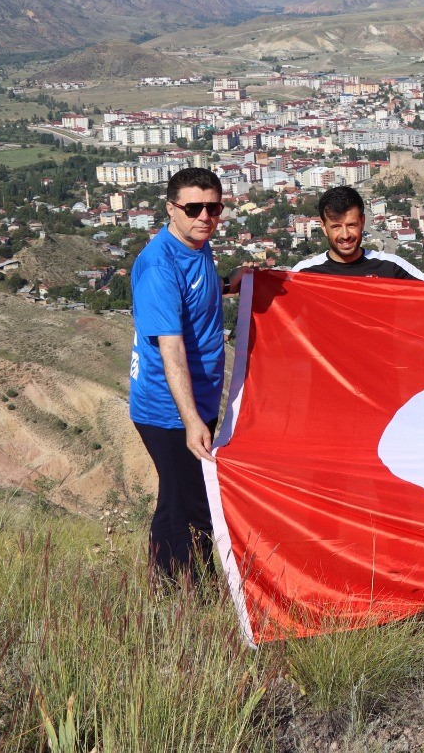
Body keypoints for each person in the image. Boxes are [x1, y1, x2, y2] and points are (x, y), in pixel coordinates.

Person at [129, 166, 239, 582]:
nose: (205, 216)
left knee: (193, 497)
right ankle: (177, 592)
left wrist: (231, 283)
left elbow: (195, 297)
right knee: (183, 502)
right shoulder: (160, 265)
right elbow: (170, 348)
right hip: (169, 409)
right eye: (193, 207)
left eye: (214, 207)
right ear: (171, 208)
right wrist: (191, 420)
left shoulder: (197, 246)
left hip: (198, 399)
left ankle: (194, 581)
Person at [292, 185, 424, 280]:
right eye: (336, 227)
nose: (345, 235)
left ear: (362, 221)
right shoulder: (304, 274)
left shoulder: (391, 267)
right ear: (324, 227)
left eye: (351, 225)